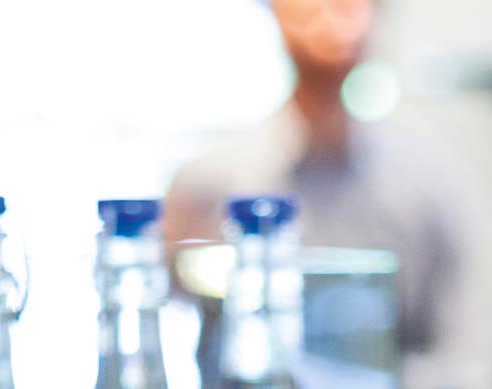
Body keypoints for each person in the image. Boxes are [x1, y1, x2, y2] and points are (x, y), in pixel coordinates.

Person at [164, 0, 472, 355]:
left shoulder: (425, 190)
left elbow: (455, 352)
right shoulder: (206, 182)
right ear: (274, 12)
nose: (332, 13)